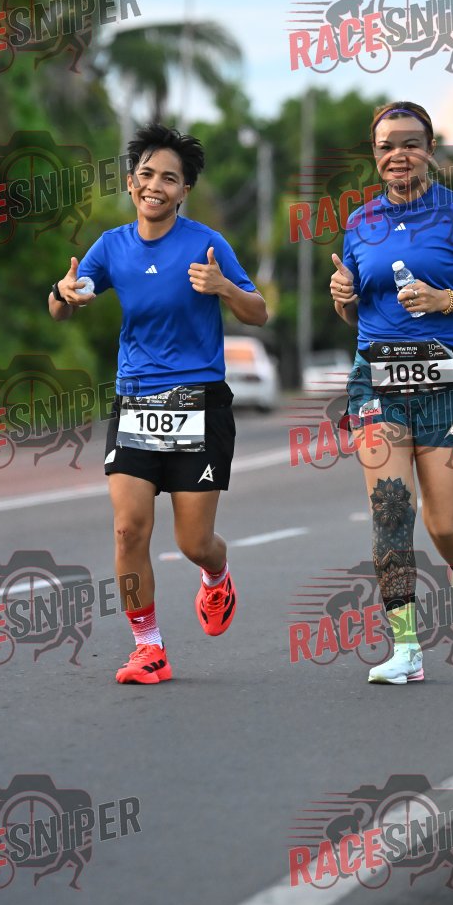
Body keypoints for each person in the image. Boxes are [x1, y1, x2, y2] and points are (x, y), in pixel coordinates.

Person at [48, 124, 267, 684]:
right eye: (146, 175)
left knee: (193, 542)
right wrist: (63, 294)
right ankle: (148, 646)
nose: (155, 186)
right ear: (130, 182)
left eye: (169, 178)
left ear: (184, 190)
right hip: (136, 401)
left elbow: (258, 312)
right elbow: (66, 301)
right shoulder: (112, 246)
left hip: (200, 402)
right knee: (128, 530)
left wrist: (225, 287)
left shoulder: (207, 244)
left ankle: (216, 576)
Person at [330, 101, 453, 684]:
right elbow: (357, 312)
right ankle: (406, 648)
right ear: (375, 155)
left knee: (446, 524)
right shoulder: (360, 222)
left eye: (410, 143)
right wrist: (343, 297)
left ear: (429, 150)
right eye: (386, 146)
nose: (398, 155)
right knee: (391, 510)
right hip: (378, 380)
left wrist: (445, 300)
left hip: (449, 379)